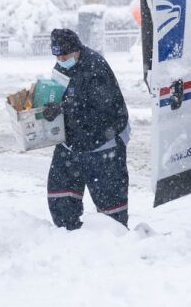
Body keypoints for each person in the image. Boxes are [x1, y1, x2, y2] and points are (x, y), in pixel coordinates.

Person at [43, 28, 130, 230]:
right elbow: (59, 93)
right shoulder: (62, 66)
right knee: (60, 194)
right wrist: (50, 106)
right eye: (57, 56)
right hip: (71, 142)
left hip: (104, 141)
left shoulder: (95, 68)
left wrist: (64, 107)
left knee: (110, 204)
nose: (61, 60)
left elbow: (103, 109)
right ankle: (67, 234)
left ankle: (116, 239)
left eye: (65, 55)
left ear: (77, 49)